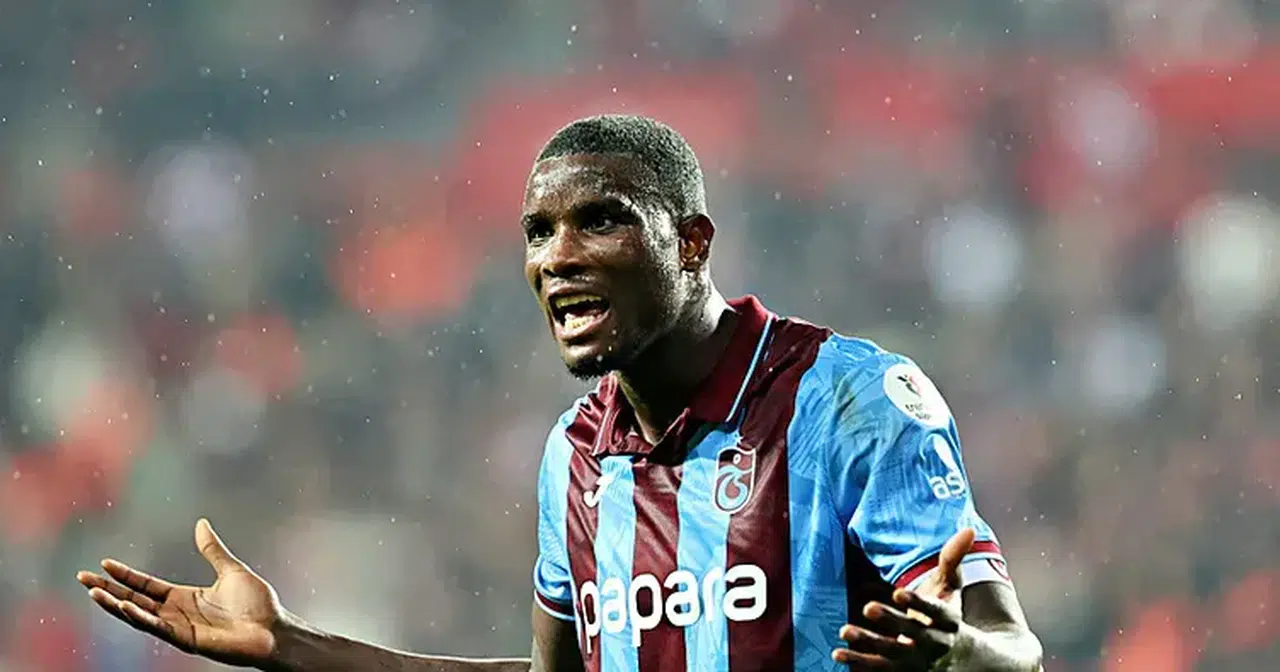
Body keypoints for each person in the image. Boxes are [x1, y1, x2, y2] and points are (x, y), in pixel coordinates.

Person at [77, 114, 1043, 671]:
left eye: (601, 221)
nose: (558, 257)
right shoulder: (576, 453)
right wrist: (292, 646)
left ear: (692, 242)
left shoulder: (850, 402)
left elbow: (1014, 648)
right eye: (539, 232)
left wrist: (958, 656)